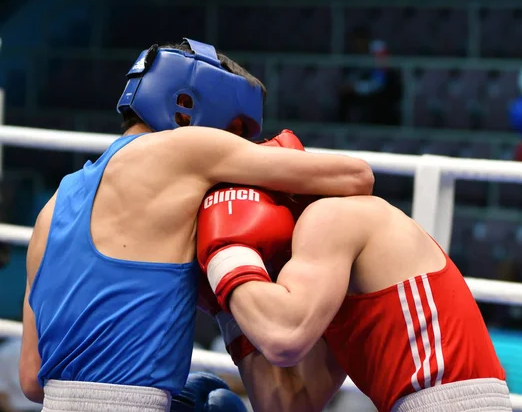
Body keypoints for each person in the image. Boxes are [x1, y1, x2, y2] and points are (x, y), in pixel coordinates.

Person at [18, 38, 374, 411]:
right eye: (236, 133)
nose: (236, 145)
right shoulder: (185, 148)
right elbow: (356, 177)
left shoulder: (52, 207)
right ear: (185, 109)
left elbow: (32, 379)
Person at [196, 159, 510, 411]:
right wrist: (231, 313)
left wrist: (225, 254)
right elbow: (290, 404)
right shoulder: (330, 286)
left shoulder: (333, 215)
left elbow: (283, 337)